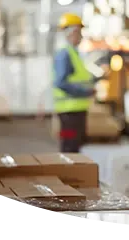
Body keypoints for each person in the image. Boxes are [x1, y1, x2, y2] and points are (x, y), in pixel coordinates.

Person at [53, 13, 100, 153]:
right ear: (71, 32)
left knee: (75, 145)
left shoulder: (74, 53)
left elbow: (78, 78)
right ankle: (68, 174)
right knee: (69, 146)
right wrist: (85, 92)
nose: (81, 36)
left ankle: (71, 173)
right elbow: (61, 82)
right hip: (69, 112)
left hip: (75, 110)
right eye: (79, 32)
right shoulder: (65, 54)